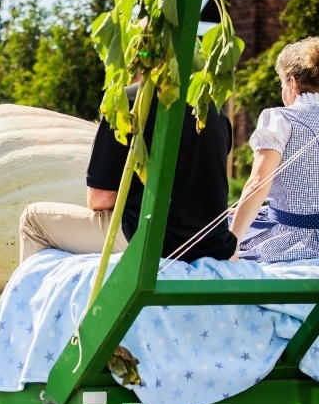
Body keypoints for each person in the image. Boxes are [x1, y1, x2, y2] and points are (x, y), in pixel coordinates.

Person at [19, 81, 238, 263]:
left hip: (147, 239)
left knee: (32, 219)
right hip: (213, 244)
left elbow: (100, 198)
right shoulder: (215, 109)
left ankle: (35, 311)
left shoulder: (127, 101)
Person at [230, 36, 319, 262]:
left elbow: (258, 183)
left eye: (281, 84)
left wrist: (230, 244)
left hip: (292, 238)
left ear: (292, 82)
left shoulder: (279, 118)